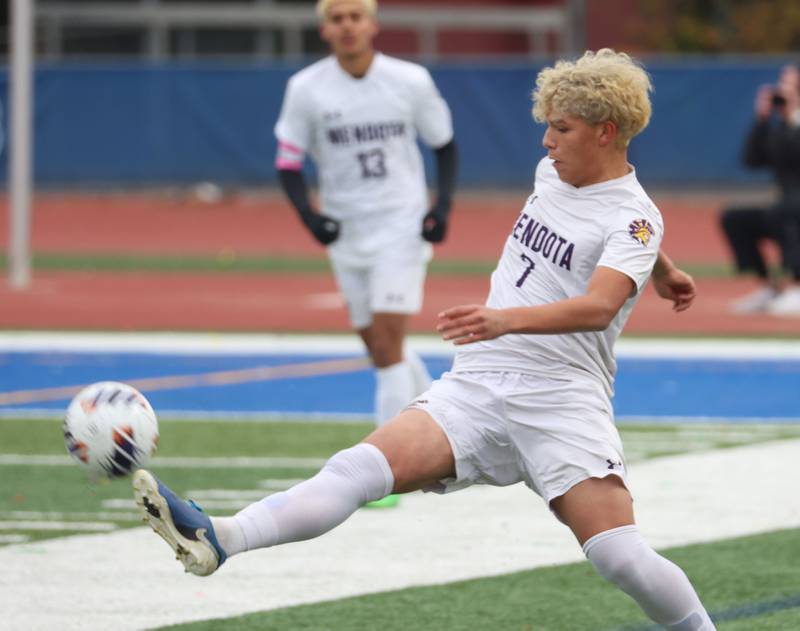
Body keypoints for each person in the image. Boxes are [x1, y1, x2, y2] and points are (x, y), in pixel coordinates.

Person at [133, 49, 714, 630]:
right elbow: (614, 230)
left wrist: (506, 319)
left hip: (560, 399)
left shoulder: (635, 217)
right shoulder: (558, 175)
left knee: (619, 555)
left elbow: (601, 303)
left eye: (562, 128)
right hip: (479, 384)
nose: (546, 142)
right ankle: (222, 538)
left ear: (606, 132)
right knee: (356, 469)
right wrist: (663, 271)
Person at [274, 0, 458, 445]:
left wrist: (442, 207)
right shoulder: (305, 88)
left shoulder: (409, 80)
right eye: (337, 19)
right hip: (346, 230)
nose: (347, 26)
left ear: (373, 25)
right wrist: (310, 218)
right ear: (325, 30)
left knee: (390, 343)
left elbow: (444, 144)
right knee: (379, 349)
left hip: (400, 223)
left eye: (355, 17)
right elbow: (288, 161)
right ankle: (445, 416)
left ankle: (388, 460)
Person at [720, 64, 800, 316]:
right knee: (735, 218)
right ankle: (769, 288)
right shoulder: (781, 127)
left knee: (787, 210)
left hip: (793, 210)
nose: (782, 90)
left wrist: (794, 116)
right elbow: (752, 160)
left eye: (790, 86)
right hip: (787, 208)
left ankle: (798, 288)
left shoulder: (793, 125)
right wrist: (762, 120)